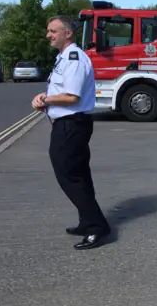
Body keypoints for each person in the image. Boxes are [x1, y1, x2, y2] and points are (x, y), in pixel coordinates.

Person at [31, 15, 110, 250]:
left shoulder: (74, 59)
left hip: (71, 124)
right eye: (48, 31)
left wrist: (45, 99)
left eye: (53, 31)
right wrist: (45, 97)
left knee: (69, 177)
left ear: (68, 33)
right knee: (79, 175)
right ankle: (87, 221)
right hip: (69, 124)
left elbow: (71, 96)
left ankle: (97, 227)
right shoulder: (64, 58)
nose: (48, 35)